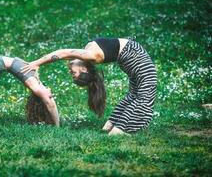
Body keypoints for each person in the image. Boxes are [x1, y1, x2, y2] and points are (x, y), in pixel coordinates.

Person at [22, 37, 157, 135]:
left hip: (138, 61)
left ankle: (119, 130)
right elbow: (63, 53)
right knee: (139, 97)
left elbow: (63, 54)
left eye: (71, 73)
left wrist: (37, 64)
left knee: (139, 97)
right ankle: (116, 130)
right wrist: (37, 63)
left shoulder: (89, 56)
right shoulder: (91, 56)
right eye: (73, 72)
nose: (69, 69)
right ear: (84, 69)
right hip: (137, 60)